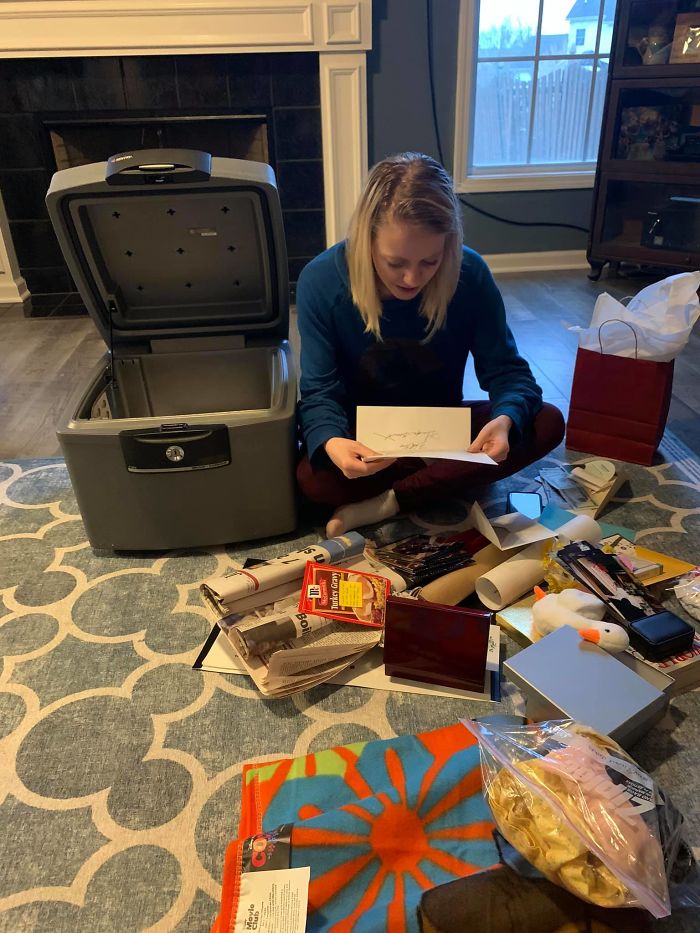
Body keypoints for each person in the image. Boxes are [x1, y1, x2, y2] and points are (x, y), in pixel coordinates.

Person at [295, 152, 565, 537]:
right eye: (395, 262)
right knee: (315, 479)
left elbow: (508, 371)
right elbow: (319, 389)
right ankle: (442, 477)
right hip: (365, 437)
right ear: (366, 240)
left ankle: (387, 503)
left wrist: (504, 420)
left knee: (545, 421)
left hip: (443, 431)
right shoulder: (321, 281)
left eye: (430, 261)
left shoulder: (470, 273)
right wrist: (334, 441)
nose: (411, 278)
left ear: (449, 245)